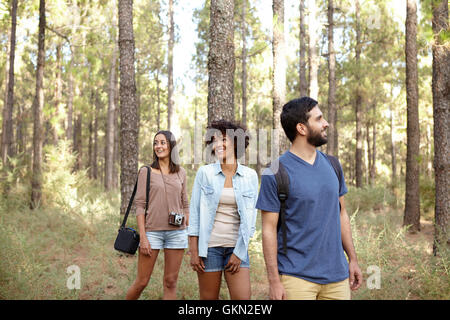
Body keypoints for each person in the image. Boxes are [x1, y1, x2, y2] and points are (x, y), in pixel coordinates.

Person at [256, 97, 363, 300]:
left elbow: (342, 214)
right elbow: (268, 229)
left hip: (337, 278)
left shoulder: (333, 165)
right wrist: (274, 281)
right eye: (319, 119)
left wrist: (353, 259)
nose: (326, 123)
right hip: (296, 278)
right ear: (302, 128)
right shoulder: (275, 172)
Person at [188, 120, 259, 300]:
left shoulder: (249, 176)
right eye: (214, 140)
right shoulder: (205, 173)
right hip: (209, 249)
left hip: (236, 249)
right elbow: (195, 214)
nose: (218, 144)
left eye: (224, 139)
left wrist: (239, 252)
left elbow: (250, 219)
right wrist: (194, 251)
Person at [125, 130, 189, 300]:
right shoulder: (146, 171)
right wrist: (143, 237)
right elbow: (140, 205)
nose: (158, 146)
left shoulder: (181, 172)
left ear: (171, 146)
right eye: (155, 143)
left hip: (177, 233)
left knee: (170, 282)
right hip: (152, 233)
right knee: (142, 282)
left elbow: (185, 204)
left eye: (162, 142)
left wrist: (188, 230)